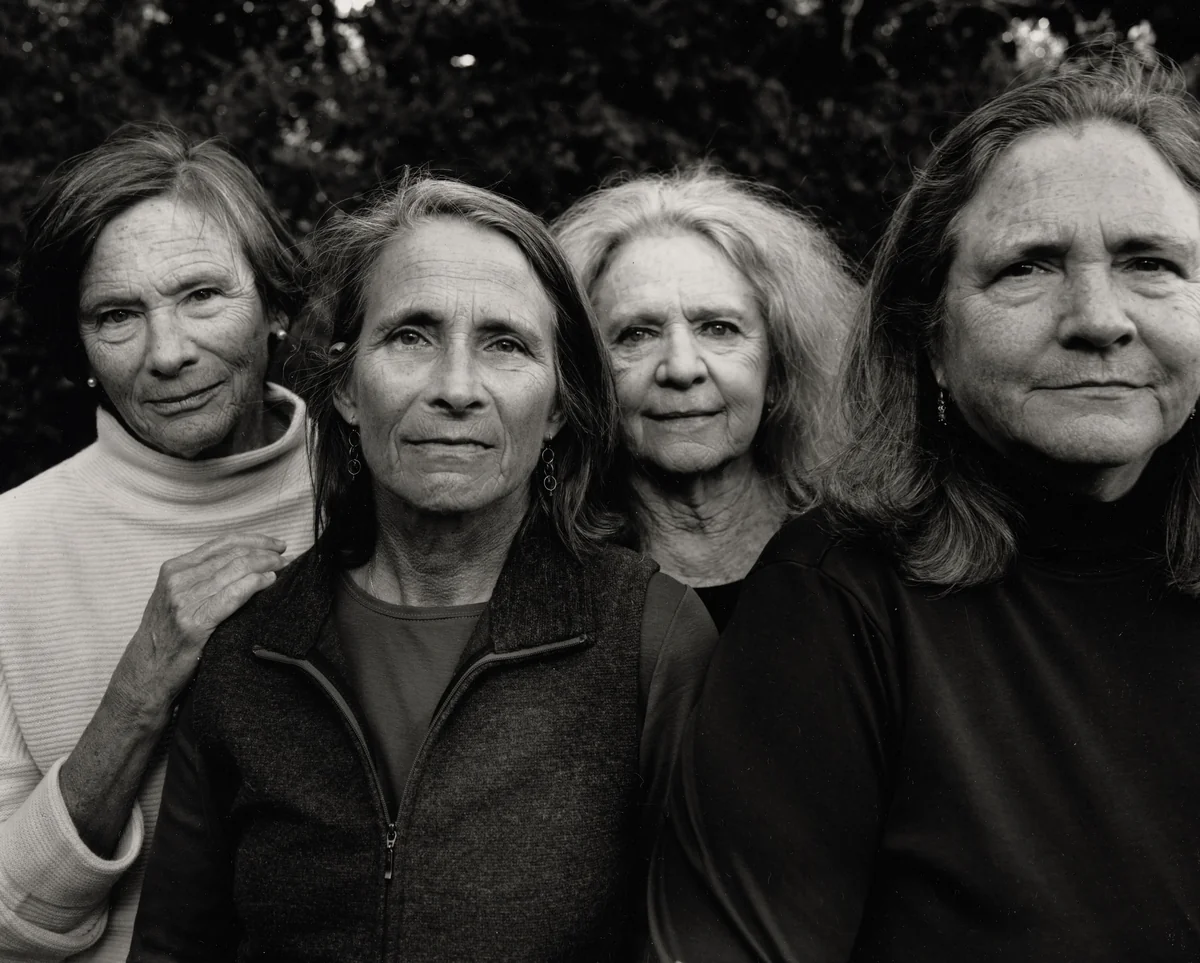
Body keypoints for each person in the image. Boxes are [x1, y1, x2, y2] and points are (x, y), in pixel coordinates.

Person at [651, 44, 1200, 962]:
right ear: (929, 336)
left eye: (1152, 262)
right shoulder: (835, 601)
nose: (1099, 316)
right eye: (1028, 265)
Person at [129, 173, 717, 962]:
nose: (455, 388)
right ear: (344, 386)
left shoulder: (649, 635)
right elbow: (175, 946)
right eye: (411, 335)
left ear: (555, 409)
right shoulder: (249, 648)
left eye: (505, 345)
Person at [0, 124, 314, 961]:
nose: (167, 353)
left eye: (201, 295)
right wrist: (139, 691)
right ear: (81, 349)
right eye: (117, 315)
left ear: (275, 304)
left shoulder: (386, 497)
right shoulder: (13, 545)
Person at [555, 168, 859, 631]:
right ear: (586, 374)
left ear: (778, 366)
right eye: (636, 334)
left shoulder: (858, 560)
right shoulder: (552, 578)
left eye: (719, 328)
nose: (681, 368)